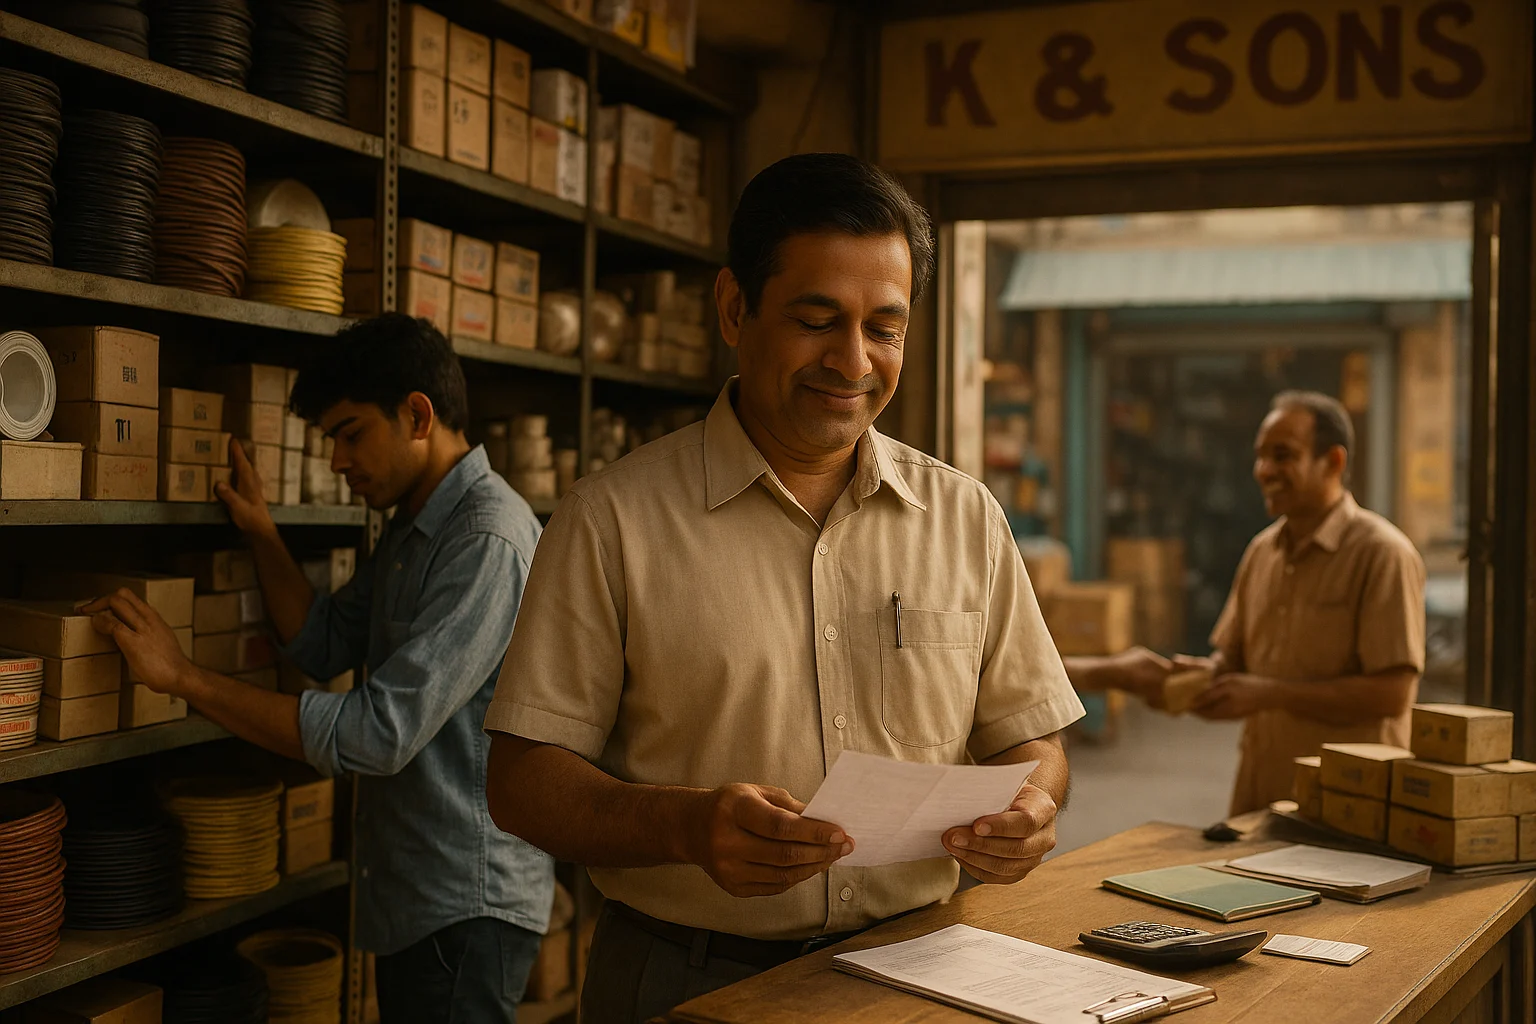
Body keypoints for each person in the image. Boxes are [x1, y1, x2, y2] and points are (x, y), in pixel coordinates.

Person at [481, 153, 1085, 1024]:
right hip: (686, 979)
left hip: (924, 970)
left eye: (886, 327)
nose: (853, 361)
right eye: (816, 319)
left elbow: (1035, 742)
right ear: (735, 308)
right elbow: (522, 779)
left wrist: (1030, 803)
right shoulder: (611, 521)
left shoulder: (967, 518)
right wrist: (683, 826)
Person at [85, 315, 555, 1024]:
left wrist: (184, 678)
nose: (337, 460)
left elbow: (378, 733)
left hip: (466, 906)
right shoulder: (412, 526)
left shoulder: (485, 539)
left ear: (418, 415)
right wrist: (262, 531)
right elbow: (323, 640)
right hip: (420, 895)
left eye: (351, 432)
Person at [1173, 390, 1425, 815]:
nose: (1264, 470)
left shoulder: (1382, 553)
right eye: (1260, 456)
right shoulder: (1261, 552)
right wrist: (1204, 678)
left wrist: (1269, 693)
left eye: (1283, 455)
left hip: (1350, 808)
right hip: (1261, 799)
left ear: (1334, 462)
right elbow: (1232, 658)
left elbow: (1391, 695)